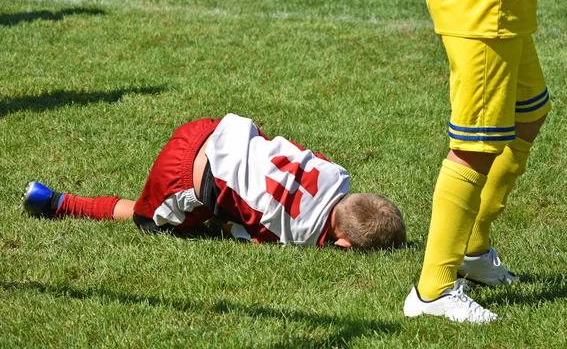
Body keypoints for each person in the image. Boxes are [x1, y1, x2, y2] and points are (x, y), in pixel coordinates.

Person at [402, 0, 551, 323]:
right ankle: (433, 290)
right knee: (476, 147)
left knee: (530, 112)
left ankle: (471, 248)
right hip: (483, 1)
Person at [22, 113, 406, 249]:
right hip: (184, 175)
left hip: (212, 129)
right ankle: (59, 201)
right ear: (342, 242)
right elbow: (237, 229)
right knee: (145, 220)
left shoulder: (337, 173)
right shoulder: (303, 232)